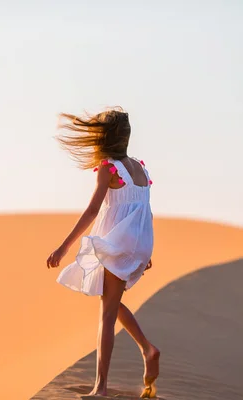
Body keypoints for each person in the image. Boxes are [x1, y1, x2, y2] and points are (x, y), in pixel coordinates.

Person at [47, 107, 160, 398]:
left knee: (106, 314)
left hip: (120, 242)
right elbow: (143, 209)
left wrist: (64, 246)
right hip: (137, 240)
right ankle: (147, 349)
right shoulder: (140, 168)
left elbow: (92, 210)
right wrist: (143, 251)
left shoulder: (110, 168)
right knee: (109, 302)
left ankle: (101, 387)